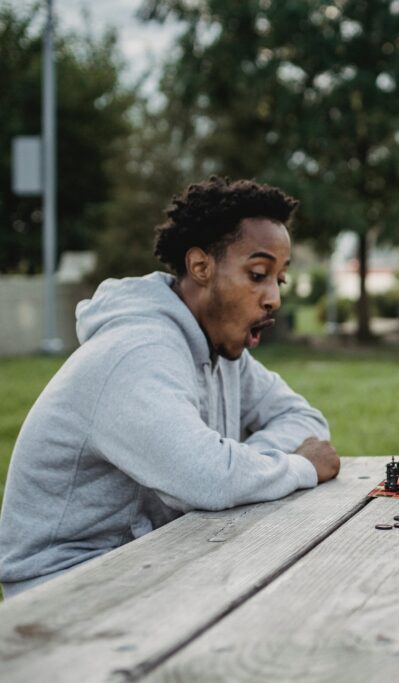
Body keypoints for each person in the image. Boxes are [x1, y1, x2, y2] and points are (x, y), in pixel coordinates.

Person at [0, 177, 340, 599]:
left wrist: (245, 464)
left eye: (280, 280)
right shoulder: (137, 352)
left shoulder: (222, 351)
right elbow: (207, 477)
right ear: (201, 267)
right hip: (66, 588)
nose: (273, 298)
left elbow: (305, 420)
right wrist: (298, 466)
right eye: (258, 275)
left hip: (150, 559)